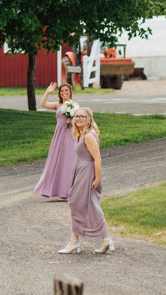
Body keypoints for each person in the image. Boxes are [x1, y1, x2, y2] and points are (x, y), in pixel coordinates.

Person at [57, 107, 114, 254]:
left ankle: (102, 238)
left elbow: (97, 159)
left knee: (84, 204)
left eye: (82, 116)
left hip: (87, 172)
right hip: (80, 170)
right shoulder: (81, 133)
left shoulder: (89, 136)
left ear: (88, 118)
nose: (79, 119)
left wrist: (97, 178)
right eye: (77, 116)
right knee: (77, 203)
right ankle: (75, 241)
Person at [33, 82, 76, 199]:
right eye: (62, 91)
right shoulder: (58, 105)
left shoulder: (74, 105)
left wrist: (70, 118)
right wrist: (47, 92)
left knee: (68, 162)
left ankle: (67, 192)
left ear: (70, 92)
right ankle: (51, 189)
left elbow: (77, 121)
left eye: (66, 90)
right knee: (55, 160)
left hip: (70, 135)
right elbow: (42, 104)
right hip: (59, 135)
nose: (64, 93)